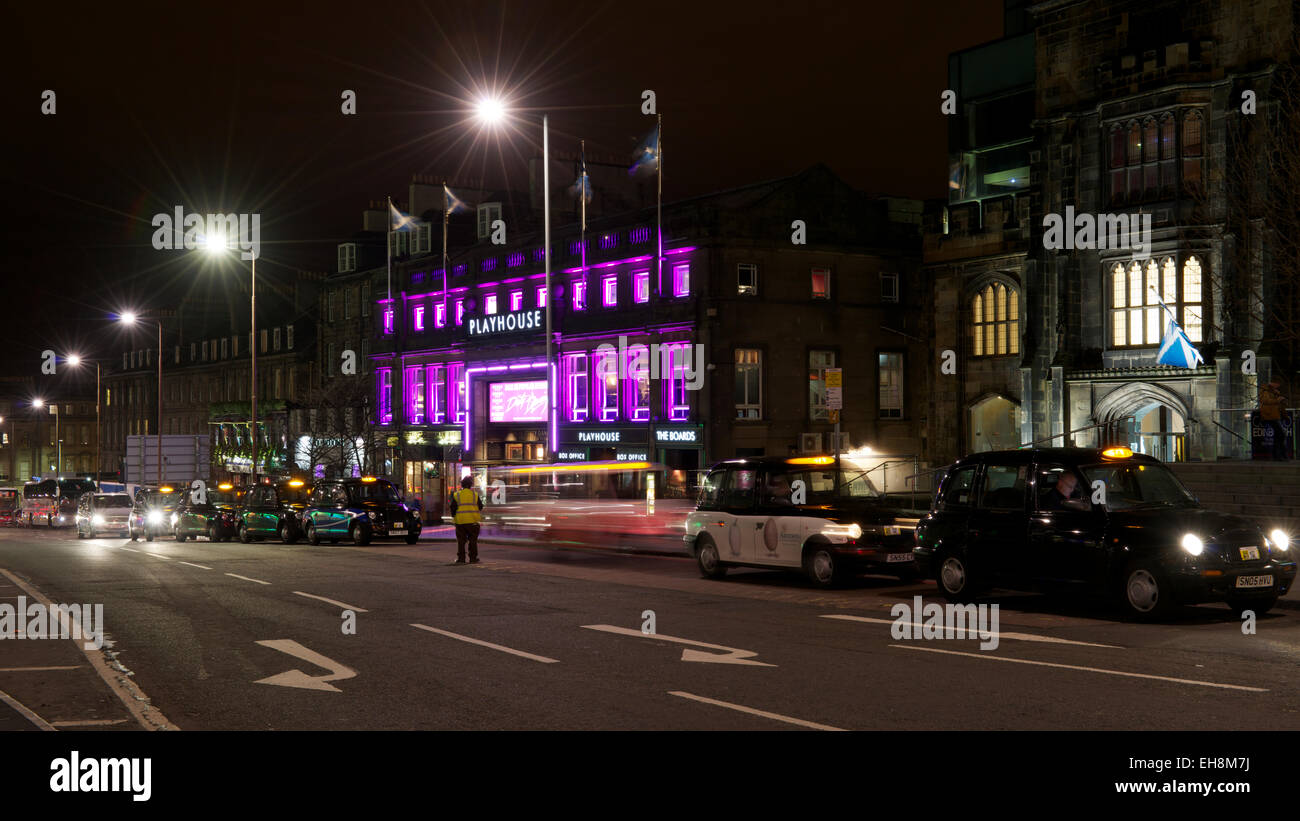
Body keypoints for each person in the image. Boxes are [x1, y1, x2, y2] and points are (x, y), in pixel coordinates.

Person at [448, 476, 484, 564]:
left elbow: (453, 507)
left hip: (460, 522)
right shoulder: (474, 495)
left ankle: (461, 559)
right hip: (473, 522)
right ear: (470, 485)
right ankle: (473, 558)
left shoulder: (457, 495)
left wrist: (454, 516)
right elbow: (480, 506)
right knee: (473, 541)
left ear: (462, 485)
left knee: (461, 541)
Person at [1260, 381, 1288, 461]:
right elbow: (1265, 401)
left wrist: (1285, 415)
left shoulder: (1276, 393)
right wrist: (1277, 400)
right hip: (1270, 416)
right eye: (1275, 383)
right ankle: (1280, 455)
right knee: (1281, 434)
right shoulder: (1265, 391)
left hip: (1275, 416)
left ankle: (1278, 455)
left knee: (1278, 435)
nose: (1277, 385)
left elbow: (1281, 406)